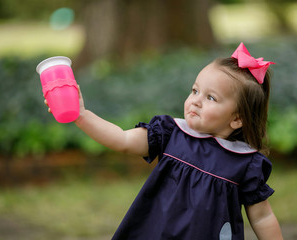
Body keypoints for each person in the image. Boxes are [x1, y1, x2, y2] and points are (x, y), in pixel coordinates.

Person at [45, 42, 283, 239]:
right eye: (194, 91)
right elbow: (122, 139)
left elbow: (262, 216)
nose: (196, 101)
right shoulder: (170, 133)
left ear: (237, 119)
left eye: (211, 97)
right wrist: (82, 116)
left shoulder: (245, 163)